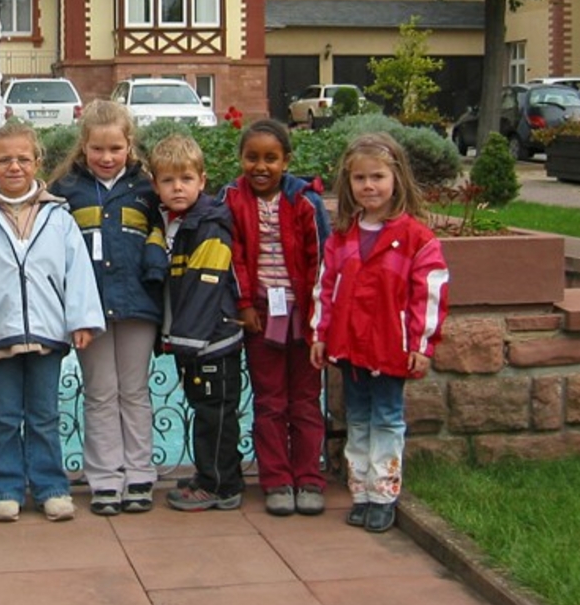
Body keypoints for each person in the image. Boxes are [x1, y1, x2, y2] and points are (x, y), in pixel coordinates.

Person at [0, 121, 105, 523]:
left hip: (48, 330)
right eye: (4, 160)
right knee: (5, 415)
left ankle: (51, 485)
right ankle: (3, 486)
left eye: (22, 158)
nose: (14, 166)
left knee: (44, 413)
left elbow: (78, 271)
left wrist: (82, 318)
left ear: (38, 161)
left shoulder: (58, 215)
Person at [310, 132, 449, 533]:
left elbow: (430, 294)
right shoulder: (342, 238)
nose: (369, 186)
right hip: (352, 346)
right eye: (360, 179)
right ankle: (362, 492)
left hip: (391, 347)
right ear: (348, 184)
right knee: (357, 418)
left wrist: (422, 343)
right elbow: (326, 288)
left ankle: (384, 494)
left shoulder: (416, 239)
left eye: (377, 177)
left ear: (396, 179)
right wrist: (321, 334)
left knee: (386, 419)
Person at [48, 100, 167, 515]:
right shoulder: (65, 191)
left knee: (134, 391)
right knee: (99, 393)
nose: (106, 157)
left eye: (115, 149)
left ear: (129, 146)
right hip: (88, 308)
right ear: (83, 147)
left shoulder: (148, 190)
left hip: (137, 304)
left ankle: (139, 475)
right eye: (98, 149)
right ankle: (104, 479)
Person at [223, 119, 331, 516]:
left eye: (271, 158)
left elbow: (320, 259)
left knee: (304, 400)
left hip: (303, 315)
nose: (261, 167)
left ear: (287, 160)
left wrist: (319, 317)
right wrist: (245, 304)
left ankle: (309, 477)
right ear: (241, 159)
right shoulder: (232, 199)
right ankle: (277, 479)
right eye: (252, 158)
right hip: (262, 314)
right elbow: (233, 257)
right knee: (269, 400)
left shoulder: (305, 202)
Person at [150, 134, 246, 512]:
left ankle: (220, 485)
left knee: (215, 414)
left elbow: (205, 286)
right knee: (205, 407)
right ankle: (214, 473)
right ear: (156, 185)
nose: (178, 188)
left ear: (202, 181)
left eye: (186, 179)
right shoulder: (172, 222)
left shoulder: (208, 223)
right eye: (169, 181)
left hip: (212, 340)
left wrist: (186, 341)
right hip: (192, 340)